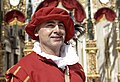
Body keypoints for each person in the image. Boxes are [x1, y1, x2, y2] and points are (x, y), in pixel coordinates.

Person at [5, 6, 85, 82]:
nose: (57, 30)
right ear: (36, 32)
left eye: (61, 26)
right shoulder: (23, 71)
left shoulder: (76, 67)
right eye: (50, 25)